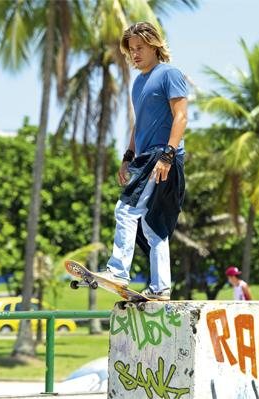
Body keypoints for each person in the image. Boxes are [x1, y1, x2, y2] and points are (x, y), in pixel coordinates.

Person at [95, 22, 189, 301]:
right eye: (131, 50)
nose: (134, 54)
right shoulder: (139, 82)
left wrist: (168, 156)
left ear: (154, 45)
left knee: (125, 210)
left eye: (140, 48)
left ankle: (118, 271)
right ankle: (160, 287)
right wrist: (127, 157)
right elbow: (140, 125)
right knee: (152, 224)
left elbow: (181, 117)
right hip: (145, 157)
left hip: (162, 155)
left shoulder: (169, 74)